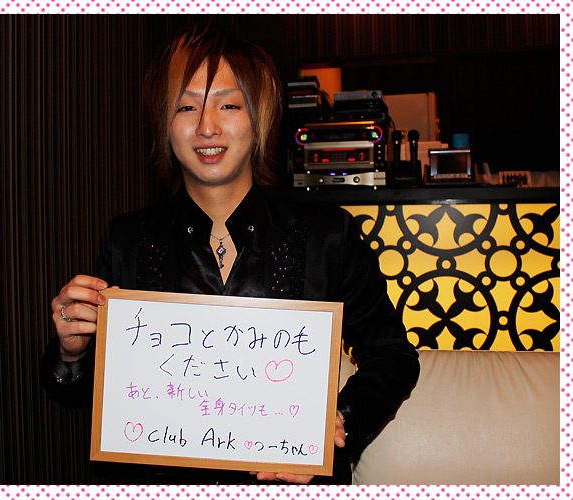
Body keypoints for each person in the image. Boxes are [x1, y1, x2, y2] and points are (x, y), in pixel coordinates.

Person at [40, 23, 419, 485]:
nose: (207, 126)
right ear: (165, 125)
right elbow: (87, 396)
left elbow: (392, 356)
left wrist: (341, 420)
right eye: (186, 107)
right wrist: (72, 352)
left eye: (229, 105)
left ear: (260, 119)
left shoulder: (328, 234)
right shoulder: (128, 239)